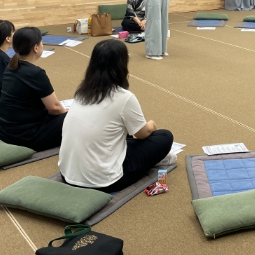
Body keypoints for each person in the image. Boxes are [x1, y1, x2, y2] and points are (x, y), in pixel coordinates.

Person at [59, 40, 174, 193]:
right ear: (122, 65)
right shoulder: (124, 97)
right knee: (164, 137)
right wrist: (152, 124)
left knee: (120, 131)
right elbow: (142, 134)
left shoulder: (82, 91)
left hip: (67, 174)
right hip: (104, 181)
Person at [0, 27, 67, 151]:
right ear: (36, 48)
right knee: (75, 118)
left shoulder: (10, 67)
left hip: (5, 132)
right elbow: (54, 108)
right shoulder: (35, 73)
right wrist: (66, 113)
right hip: (26, 137)